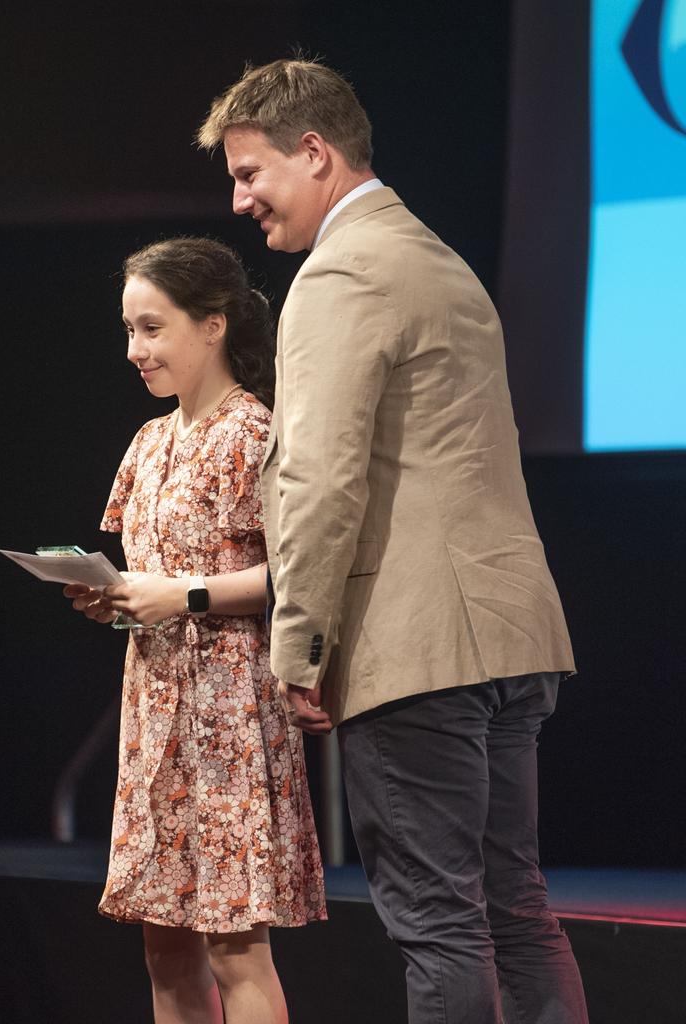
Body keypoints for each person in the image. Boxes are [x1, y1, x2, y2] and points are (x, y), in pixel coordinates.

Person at [198, 59, 589, 1023]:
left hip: (419, 647)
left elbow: (321, 479)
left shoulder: (339, 273)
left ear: (317, 152)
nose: (240, 200)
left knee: (442, 926)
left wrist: (300, 648)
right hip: (509, 632)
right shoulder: (436, 256)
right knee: (516, 910)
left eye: (252, 174)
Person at [63, 236, 326, 1024]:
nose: (136, 350)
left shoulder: (252, 432)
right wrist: (110, 596)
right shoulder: (150, 440)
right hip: (155, 707)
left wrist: (182, 595)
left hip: (230, 707)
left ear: (212, 325)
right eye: (129, 331)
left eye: (152, 328)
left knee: (235, 945)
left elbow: (295, 573)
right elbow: (149, 571)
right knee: (165, 942)